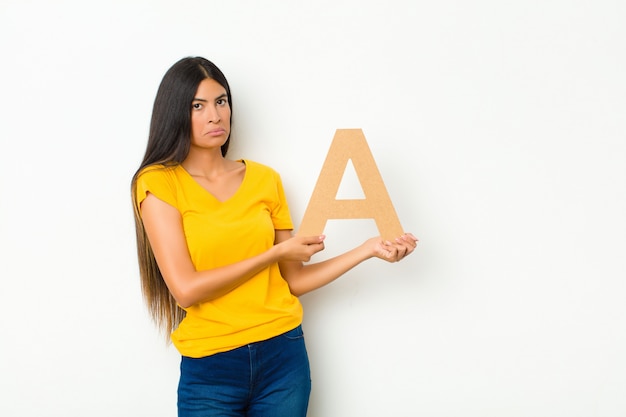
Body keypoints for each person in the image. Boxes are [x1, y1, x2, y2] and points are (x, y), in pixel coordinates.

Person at [130, 56, 418, 417]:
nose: (214, 116)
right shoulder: (158, 183)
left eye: (221, 101)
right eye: (197, 106)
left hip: (283, 357)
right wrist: (271, 253)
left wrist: (367, 249)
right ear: (176, 113)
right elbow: (186, 289)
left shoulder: (266, 180)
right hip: (211, 368)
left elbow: (293, 280)